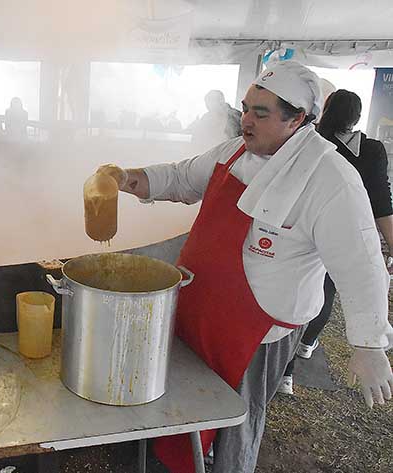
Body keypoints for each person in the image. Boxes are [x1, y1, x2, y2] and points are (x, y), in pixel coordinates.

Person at [97, 61, 393, 473]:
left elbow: (362, 264)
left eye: (261, 112)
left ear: (298, 119)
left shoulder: (330, 178)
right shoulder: (236, 150)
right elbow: (183, 178)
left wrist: (369, 343)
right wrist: (131, 179)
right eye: (245, 107)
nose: (246, 120)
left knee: (237, 420)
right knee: (182, 403)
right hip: (198, 310)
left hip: (257, 333)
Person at [279, 89, 393, 395]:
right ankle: (305, 346)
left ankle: (286, 372)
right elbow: (382, 201)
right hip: (349, 235)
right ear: (356, 117)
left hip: (304, 232)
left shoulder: (311, 141)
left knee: (308, 294)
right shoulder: (371, 150)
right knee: (326, 294)